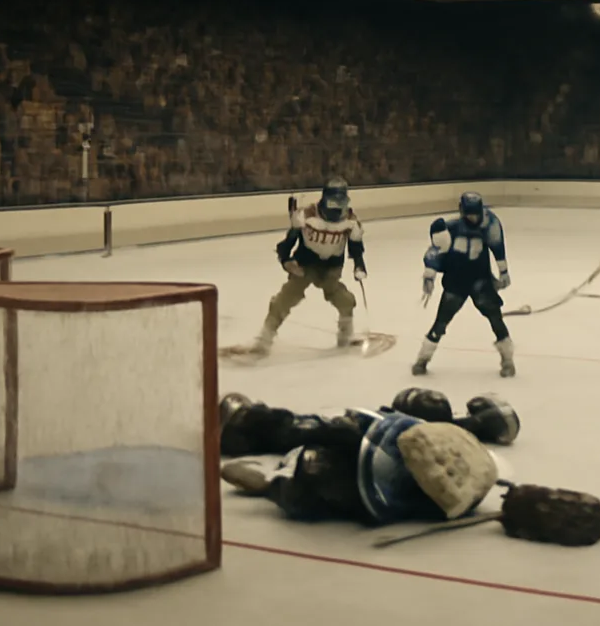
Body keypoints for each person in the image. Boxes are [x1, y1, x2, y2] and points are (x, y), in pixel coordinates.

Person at [218, 390, 519, 523]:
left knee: (312, 468)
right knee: (326, 442)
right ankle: (255, 430)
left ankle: (252, 435)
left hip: (368, 484)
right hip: (381, 473)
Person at [250, 178, 366, 356]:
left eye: (341, 202)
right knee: (285, 298)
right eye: (333, 202)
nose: (336, 208)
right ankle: (265, 338)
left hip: (332, 267)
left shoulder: (351, 222)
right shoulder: (307, 216)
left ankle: (346, 334)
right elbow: (288, 241)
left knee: (344, 300)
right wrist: (286, 260)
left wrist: (359, 265)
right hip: (305, 264)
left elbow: (356, 247)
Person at [412, 191, 514, 377]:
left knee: (495, 318)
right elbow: (435, 253)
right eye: (470, 214)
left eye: (476, 213)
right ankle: (423, 359)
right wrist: (429, 275)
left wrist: (503, 270)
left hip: (480, 281)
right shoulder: (450, 229)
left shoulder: (488, 225)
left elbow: (497, 246)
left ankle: (507, 359)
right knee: (441, 322)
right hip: (456, 282)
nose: (474, 218)